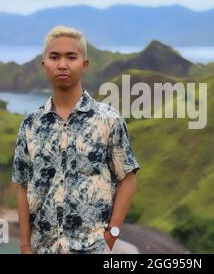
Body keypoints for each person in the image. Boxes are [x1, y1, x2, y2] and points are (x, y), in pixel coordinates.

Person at [11, 25, 141, 254]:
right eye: (54, 57)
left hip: (93, 249)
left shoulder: (109, 121)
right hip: (43, 249)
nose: (62, 64)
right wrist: (24, 245)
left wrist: (112, 235)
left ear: (84, 64)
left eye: (71, 57)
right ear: (45, 65)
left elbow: (127, 179)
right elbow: (22, 186)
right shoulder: (30, 126)